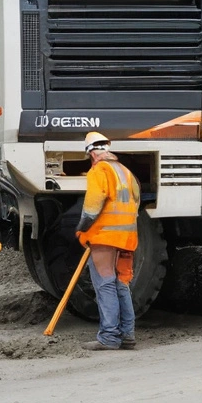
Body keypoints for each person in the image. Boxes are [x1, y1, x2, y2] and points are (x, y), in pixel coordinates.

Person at [74, 131, 142, 351]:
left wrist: (81, 229)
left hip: (105, 236)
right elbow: (137, 203)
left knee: (105, 284)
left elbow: (93, 205)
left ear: (91, 153)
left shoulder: (99, 171)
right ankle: (127, 335)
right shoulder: (126, 173)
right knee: (121, 285)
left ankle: (110, 337)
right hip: (128, 237)